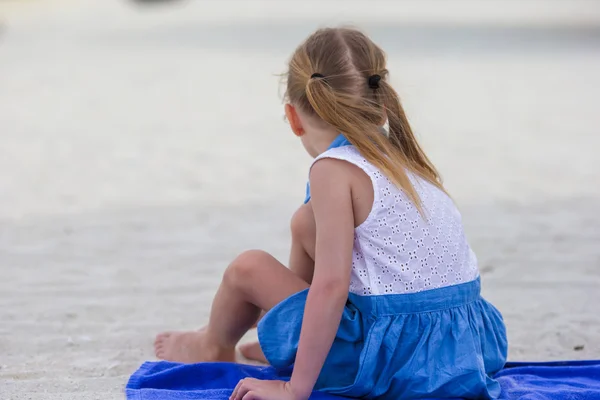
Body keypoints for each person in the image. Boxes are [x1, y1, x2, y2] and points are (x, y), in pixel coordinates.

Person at [154, 27, 508, 400]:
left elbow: (331, 286)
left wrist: (296, 388)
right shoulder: (405, 158)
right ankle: (297, 336)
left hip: (391, 358)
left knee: (247, 267)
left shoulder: (333, 170)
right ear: (381, 104)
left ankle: (212, 343)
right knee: (306, 222)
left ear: (293, 117)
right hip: (468, 346)